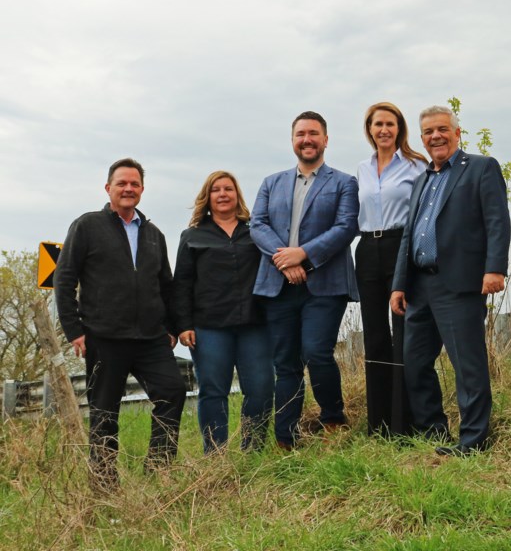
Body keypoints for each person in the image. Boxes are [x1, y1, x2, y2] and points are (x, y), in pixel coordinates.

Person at [54, 158, 186, 489]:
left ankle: (158, 470)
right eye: (122, 183)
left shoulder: (154, 234)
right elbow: (65, 278)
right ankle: (104, 486)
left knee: (172, 392)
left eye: (135, 184)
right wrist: (75, 330)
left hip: (151, 338)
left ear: (142, 189)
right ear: (108, 188)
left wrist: (172, 326)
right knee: (104, 413)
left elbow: (166, 285)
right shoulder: (87, 226)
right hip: (103, 337)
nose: (128, 189)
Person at [390, 105, 511, 456]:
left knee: (467, 365)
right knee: (415, 365)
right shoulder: (420, 181)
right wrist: (399, 284)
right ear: (422, 138)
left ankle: (472, 442)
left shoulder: (480, 168)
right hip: (420, 287)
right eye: (428, 132)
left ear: (457, 133)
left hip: (460, 283)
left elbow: (497, 221)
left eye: (442, 129)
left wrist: (495, 269)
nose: (435, 136)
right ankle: (434, 434)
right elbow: (408, 236)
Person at [251, 110, 360, 450]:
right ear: (293, 140)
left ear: (325, 140)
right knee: (285, 362)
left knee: (316, 352)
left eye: (313, 133)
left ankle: (333, 419)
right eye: (301, 134)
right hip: (278, 284)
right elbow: (257, 225)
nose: (307, 139)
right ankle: (286, 438)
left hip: (325, 284)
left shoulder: (343, 182)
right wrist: (285, 260)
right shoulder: (271, 183)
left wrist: (304, 255)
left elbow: (346, 227)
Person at [171, 171, 274, 453]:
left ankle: (252, 450)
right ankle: (215, 454)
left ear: (237, 195)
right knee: (213, 392)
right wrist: (183, 325)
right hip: (209, 327)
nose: (223, 194)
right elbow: (181, 283)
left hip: (255, 324)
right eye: (216, 190)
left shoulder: (255, 231)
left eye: (228, 189)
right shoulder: (192, 236)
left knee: (262, 389)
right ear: (208, 197)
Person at [355, 102, 427, 437]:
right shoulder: (362, 169)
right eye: (378, 124)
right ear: (369, 129)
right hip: (368, 247)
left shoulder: (416, 166)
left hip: (402, 245)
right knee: (375, 336)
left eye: (390, 124)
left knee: (404, 332)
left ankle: (405, 424)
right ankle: (378, 425)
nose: (384, 130)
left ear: (400, 129)